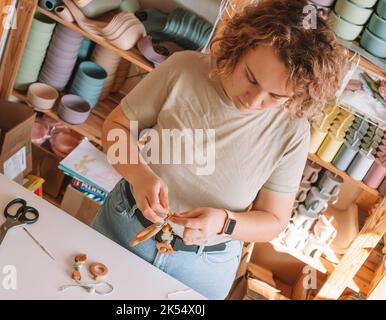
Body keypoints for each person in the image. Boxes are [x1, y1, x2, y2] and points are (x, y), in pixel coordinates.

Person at [91, 0, 348, 299]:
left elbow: (273, 221)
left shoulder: (292, 130)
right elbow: (116, 128)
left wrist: (226, 223)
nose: (253, 101)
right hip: (123, 225)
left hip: (203, 266)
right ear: (239, 46)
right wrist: (139, 175)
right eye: (251, 78)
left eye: (276, 96)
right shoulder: (183, 69)